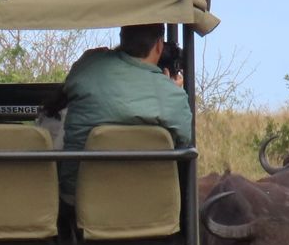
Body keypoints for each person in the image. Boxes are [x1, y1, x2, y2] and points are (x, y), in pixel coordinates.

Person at [59, 24, 193, 202]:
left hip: (78, 197)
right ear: (159, 45)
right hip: (150, 202)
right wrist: (170, 88)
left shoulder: (88, 66)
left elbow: (67, 89)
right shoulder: (173, 96)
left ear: (122, 38)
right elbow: (184, 141)